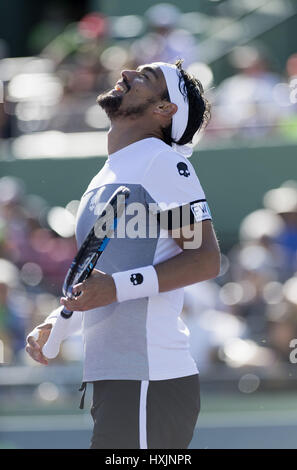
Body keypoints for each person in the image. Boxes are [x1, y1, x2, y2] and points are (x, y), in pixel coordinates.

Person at [26, 59, 220, 449]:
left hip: (151, 380)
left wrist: (116, 288)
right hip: (119, 379)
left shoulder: (163, 162)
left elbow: (204, 259)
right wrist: (59, 322)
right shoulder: (111, 171)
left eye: (145, 78)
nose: (126, 74)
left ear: (165, 110)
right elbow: (98, 271)